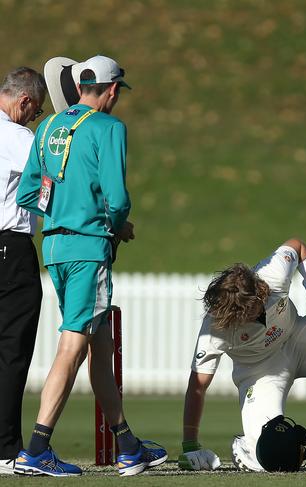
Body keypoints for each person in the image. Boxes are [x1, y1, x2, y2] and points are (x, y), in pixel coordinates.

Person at [13, 55, 166, 476]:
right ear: (113, 90)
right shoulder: (110, 128)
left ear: (80, 87)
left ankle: (128, 445)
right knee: (74, 342)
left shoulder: (45, 128)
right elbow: (117, 200)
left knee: (99, 345)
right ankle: (37, 448)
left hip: (56, 249)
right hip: (88, 249)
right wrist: (114, 226)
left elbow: (28, 194)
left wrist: (64, 208)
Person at [179, 237, 306, 472]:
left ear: (259, 293)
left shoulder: (273, 274)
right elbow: (197, 386)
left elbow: (299, 247)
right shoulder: (215, 328)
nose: (247, 318)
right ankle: (246, 448)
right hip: (258, 373)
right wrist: (190, 445)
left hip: (300, 339)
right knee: (270, 453)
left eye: (249, 310)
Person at [0, 67, 46, 475]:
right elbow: (46, 186)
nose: (35, 118)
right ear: (24, 101)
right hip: (9, 248)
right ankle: (5, 449)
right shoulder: (18, 137)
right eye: (36, 111)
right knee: (11, 351)